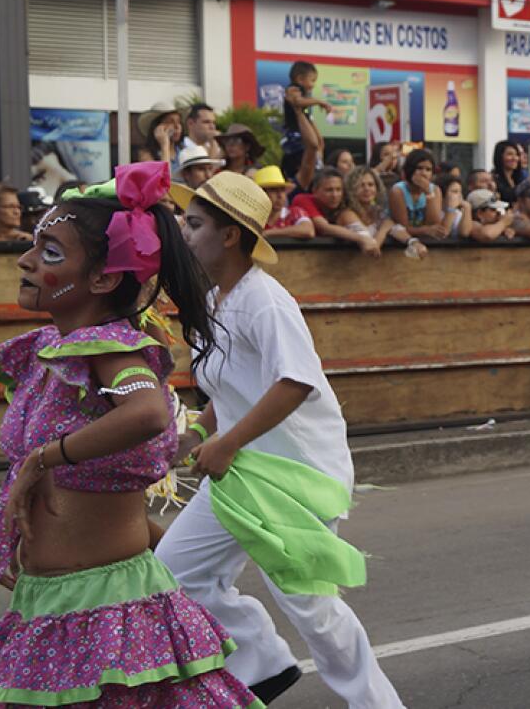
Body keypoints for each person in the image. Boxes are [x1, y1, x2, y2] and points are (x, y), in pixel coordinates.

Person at [0, 161, 259, 706]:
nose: (24, 260)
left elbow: (146, 413)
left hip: (103, 612)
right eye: (32, 245)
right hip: (52, 604)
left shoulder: (112, 350)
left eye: (49, 253)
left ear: (102, 278)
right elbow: (102, 483)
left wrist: (39, 460)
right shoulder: (52, 354)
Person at [160, 171, 405, 708]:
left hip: (294, 476)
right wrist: (198, 434)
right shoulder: (214, 303)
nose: (183, 230)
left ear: (230, 236)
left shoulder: (264, 301)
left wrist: (224, 444)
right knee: (173, 571)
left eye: (195, 223)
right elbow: (230, 395)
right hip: (243, 472)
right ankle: (262, 661)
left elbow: (295, 382)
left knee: (313, 610)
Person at [292, 168, 382, 257]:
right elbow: (325, 227)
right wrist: (361, 239)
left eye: (338, 190)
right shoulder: (303, 199)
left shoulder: (342, 206)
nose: (335, 195)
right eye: (329, 190)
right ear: (315, 191)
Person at [347, 166, 427, 259]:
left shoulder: (378, 211)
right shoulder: (348, 213)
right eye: (361, 185)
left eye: (371, 185)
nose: (367, 189)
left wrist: (413, 242)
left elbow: (395, 229)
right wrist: (384, 229)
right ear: (351, 189)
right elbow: (372, 248)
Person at [281, 60, 332, 183]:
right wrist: (319, 102)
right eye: (312, 80)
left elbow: (307, 117)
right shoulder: (294, 89)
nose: (313, 85)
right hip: (294, 135)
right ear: (300, 79)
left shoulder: (304, 96)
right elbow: (298, 102)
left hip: (301, 135)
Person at [388, 150, 450, 244]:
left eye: (428, 169)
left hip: (428, 242)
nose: (424, 173)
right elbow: (402, 228)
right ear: (410, 169)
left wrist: (428, 194)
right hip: (400, 242)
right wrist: (425, 230)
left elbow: (434, 224)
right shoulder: (398, 191)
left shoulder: (435, 190)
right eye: (419, 168)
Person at [254, 165, 315, 240]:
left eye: (282, 190)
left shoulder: (294, 212)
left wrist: (268, 233)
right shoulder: (251, 217)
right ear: (260, 193)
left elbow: (308, 230)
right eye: (273, 190)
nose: (280, 195)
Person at [137, 103, 183, 173]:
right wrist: (164, 145)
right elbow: (163, 179)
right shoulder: (147, 154)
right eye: (170, 122)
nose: (177, 126)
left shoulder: (183, 150)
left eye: (179, 122)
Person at [435, 174, 472, 241]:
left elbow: (465, 233)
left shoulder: (459, 213)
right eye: (455, 192)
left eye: (460, 192)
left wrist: (467, 208)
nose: (459, 195)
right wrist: (451, 209)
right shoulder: (436, 211)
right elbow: (443, 233)